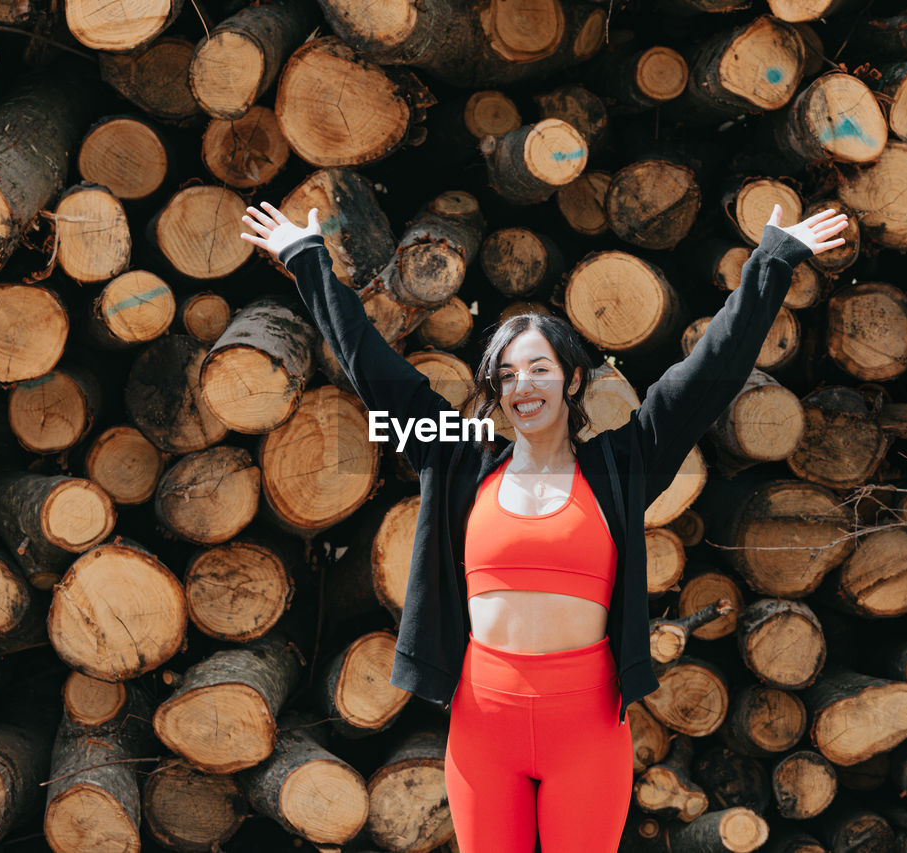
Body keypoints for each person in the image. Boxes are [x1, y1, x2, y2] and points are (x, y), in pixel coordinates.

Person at [241, 200, 847, 852]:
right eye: (506, 373)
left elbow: (708, 375)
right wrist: (308, 257)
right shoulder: (455, 456)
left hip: (586, 728)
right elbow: (372, 366)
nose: (522, 384)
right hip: (484, 724)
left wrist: (773, 259)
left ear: (573, 378)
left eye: (539, 367)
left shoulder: (623, 465)